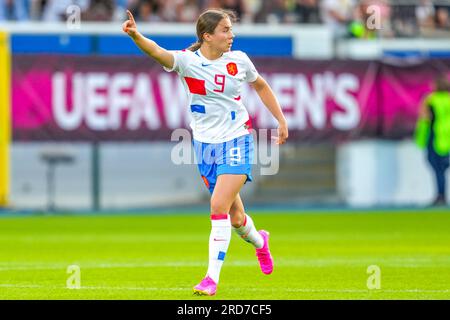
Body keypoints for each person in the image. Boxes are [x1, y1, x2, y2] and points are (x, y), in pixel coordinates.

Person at [122, 8, 288, 295]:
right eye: (225, 30)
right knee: (236, 219)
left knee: (217, 207)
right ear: (207, 36)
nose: (231, 35)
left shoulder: (239, 61)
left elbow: (260, 86)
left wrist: (281, 120)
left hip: (237, 139)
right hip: (205, 146)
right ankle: (261, 241)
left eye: (231, 29)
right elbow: (158, 52)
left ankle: (211, 279)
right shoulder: (188, 62)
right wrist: (136, 35)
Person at [415, 75, 450, 207]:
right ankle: (442, 195)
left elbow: (424, 117)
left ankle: (440, 195)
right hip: (447, 138)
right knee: (442, 168)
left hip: (436, 137)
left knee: (437, 168)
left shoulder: (431, 100)